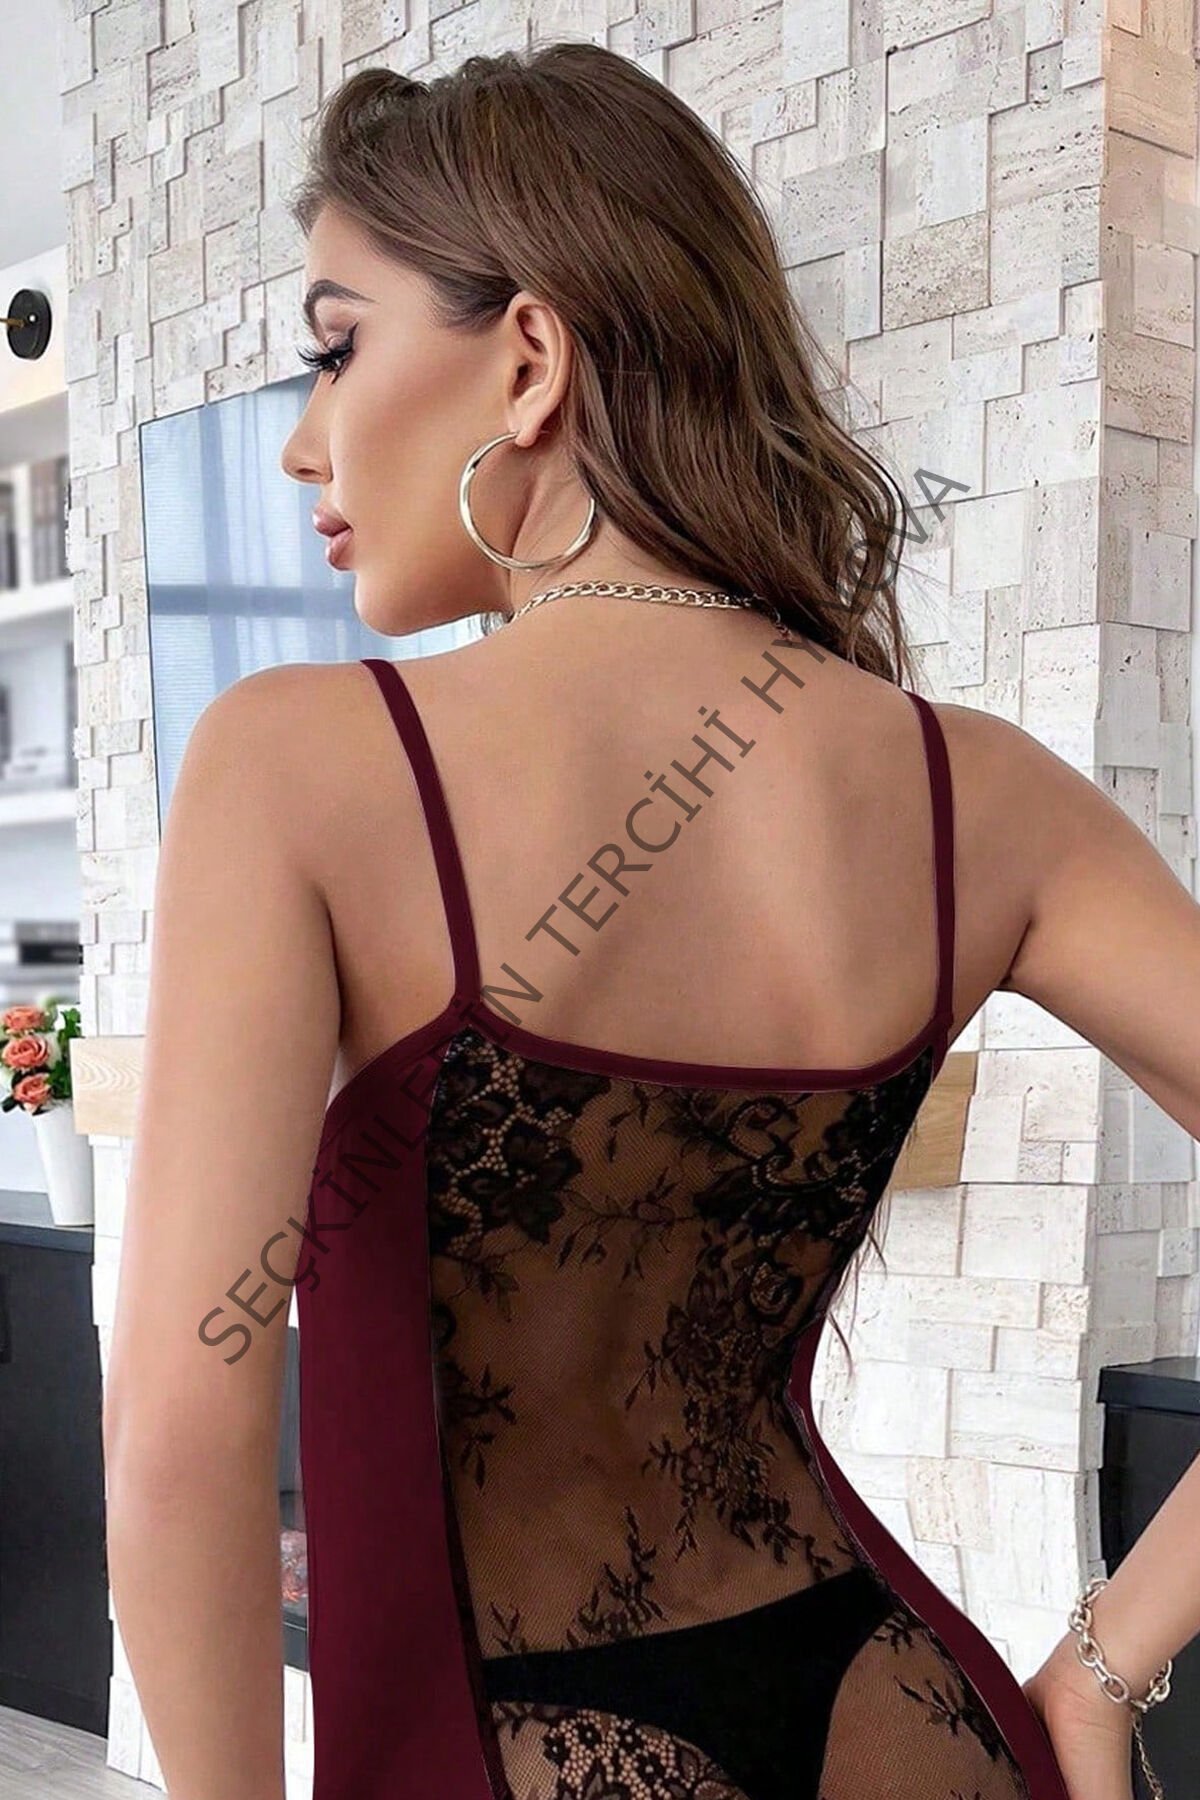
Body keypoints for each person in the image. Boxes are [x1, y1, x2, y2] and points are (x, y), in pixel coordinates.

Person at [102, 40, 1200, 1800]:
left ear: (529, 360)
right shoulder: (980, 795)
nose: (307, 438)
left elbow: (178, 1428)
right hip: (907, 1718)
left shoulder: (299, 763)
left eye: (338, 345)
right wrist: (1097, 1669)